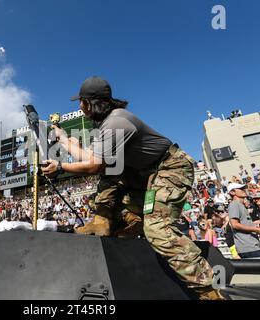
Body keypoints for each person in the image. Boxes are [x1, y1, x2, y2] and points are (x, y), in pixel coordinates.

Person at [42, 76, 221, 299]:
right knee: (111, 170)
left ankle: (210, 291)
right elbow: (90, 157)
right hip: (145, 174)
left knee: (158, 230)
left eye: (83, 102)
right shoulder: (107, 124)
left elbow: (93, 165)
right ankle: (105, 221)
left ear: (95, 103)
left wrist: (60, 167)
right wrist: (64, 140)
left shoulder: (116, 122)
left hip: (169, 168)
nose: (80, 107)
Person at [227, 183, 260, 258]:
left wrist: (257, 224)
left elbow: (244, 224)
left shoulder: (240, 205)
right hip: (248, 247)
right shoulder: (234, 204)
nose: (243, 190)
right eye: (240, 189)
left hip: (251, 246)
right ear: (232, 192)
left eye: (243, 188)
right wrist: (257, 230)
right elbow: (234, 224)